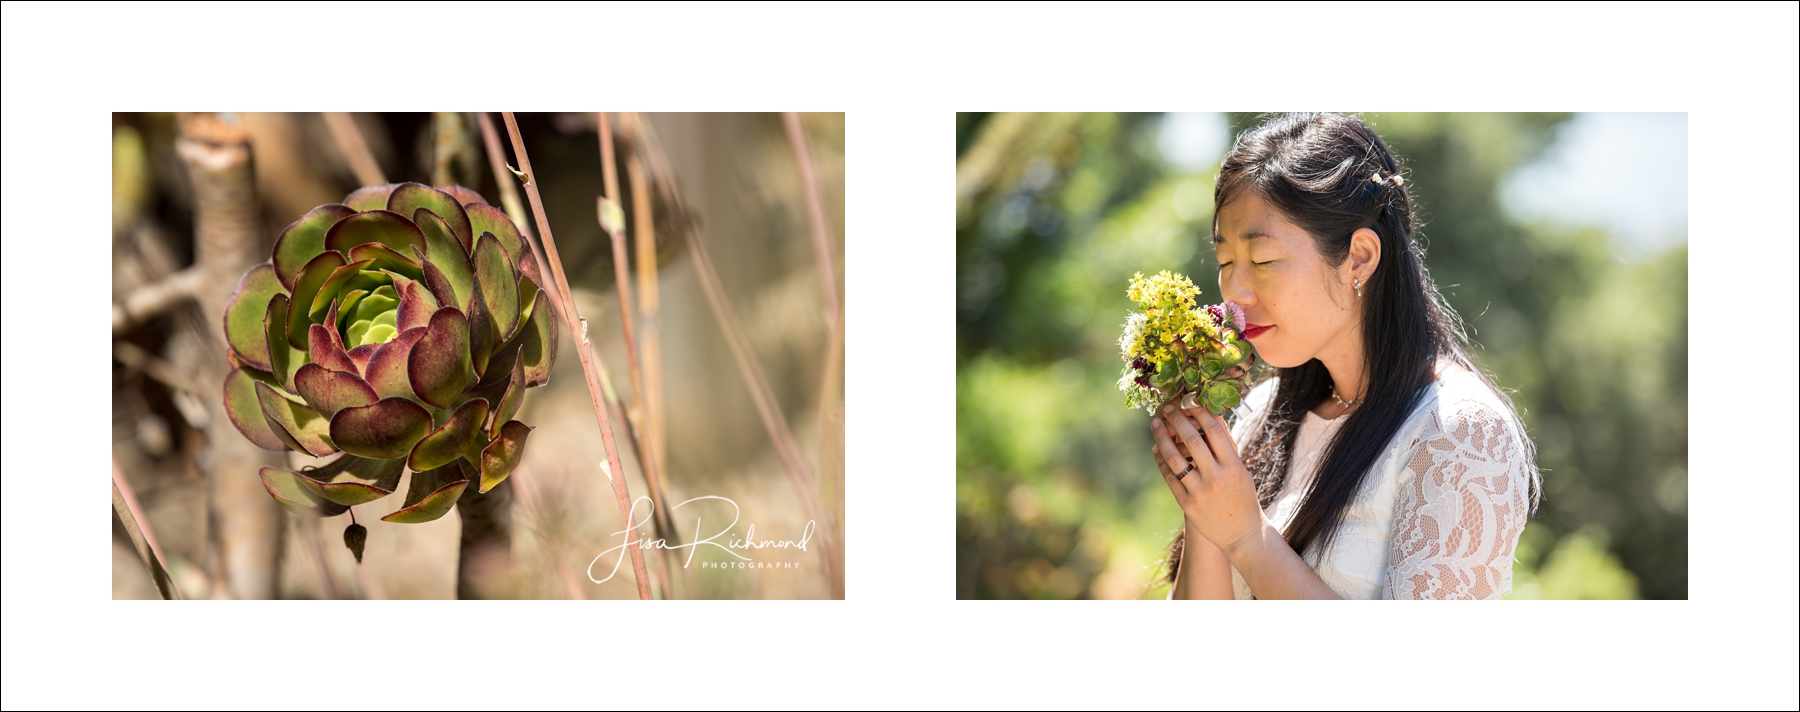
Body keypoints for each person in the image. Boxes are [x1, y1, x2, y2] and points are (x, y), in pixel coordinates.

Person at [1156, 112, 1540, 600]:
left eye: (1263, 260)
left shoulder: (1459, 431)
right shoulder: (1258, 415)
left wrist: (1247, 539)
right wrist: (1203, 495)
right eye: (1225, 262)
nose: (1235, 293)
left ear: (1359, 256)